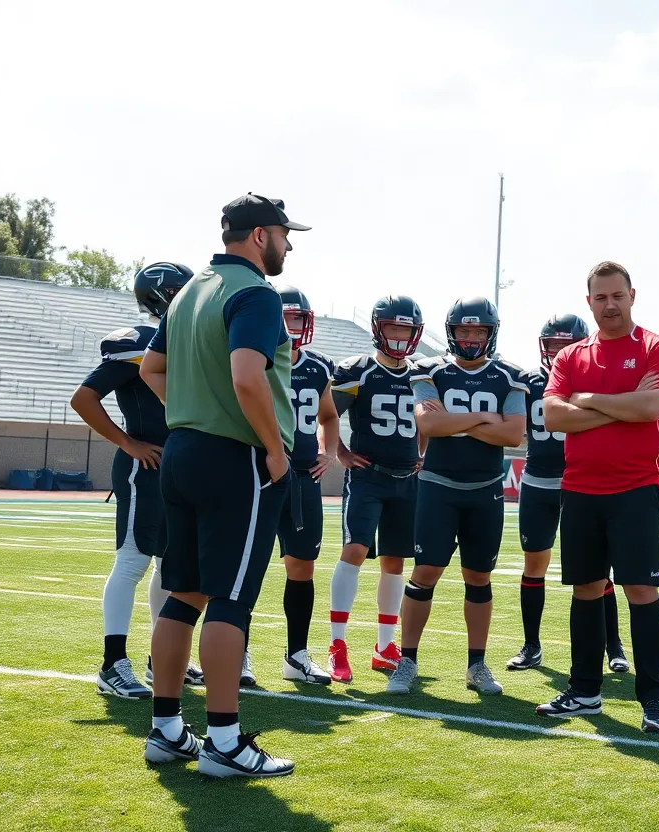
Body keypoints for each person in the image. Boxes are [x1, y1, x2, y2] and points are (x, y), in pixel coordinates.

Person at [138, 192, 307, 777]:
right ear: (260, 236)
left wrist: (193, 407)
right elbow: (245, 376)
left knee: (183, 592)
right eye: (285, 234)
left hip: (183, 449)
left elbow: (150, 370)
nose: (289, 245)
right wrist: (275, 449)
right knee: (231, 600)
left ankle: (165, 730)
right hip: (235, 459)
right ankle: (225, 743)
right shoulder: (255, 292)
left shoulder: (190, 290)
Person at [534, 261, 659, 734]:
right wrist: (620, 407)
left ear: (632, 296)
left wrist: (588, 400)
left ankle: (653, 698)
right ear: (589, 302)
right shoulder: (570, 357)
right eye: (601, 297)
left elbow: (652, 405)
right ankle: (585, 692)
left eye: (617, 296)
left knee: (640, 589)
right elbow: (553, 416)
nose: (610, 305)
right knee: (586, 589)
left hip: (636, 488)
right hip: (579, 489)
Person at [70, 262, 202, 698]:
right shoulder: (138, 341)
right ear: (161, 296)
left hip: (181, 466)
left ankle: (159, 658)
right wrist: (128, 443)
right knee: (132, 563)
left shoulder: (190, 338)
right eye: (183, 292)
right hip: (144, 466)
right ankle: (112, 664)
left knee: (171, 566)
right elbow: (83, 398)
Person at [386, 297, 527, 696]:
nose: (470, 338)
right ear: (451, 332)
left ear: (490, 334)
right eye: (463, 331)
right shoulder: (429, 370)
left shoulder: (509, 376)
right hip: (437, 485)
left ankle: (476, 665)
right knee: (426, 571)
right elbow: (428, 421)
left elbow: (513, 434)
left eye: (478, 331)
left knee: (478, 576)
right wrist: (486, 419)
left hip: (484, 490)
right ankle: (407, 659)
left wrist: (454, 423)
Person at [507, 314, 630, 674]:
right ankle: (531, 646)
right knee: (534, 565)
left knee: (597, 571)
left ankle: (614, 645)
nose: (557, 352)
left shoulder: (595, 378)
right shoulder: (527, 381)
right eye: (552, 345)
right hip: (538, 482)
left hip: (582, 483)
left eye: (565, 345)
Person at [242, 285, 337, 687]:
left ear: (307, 322)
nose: (288, 326)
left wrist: (329, 452)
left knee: (302, 568)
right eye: (282, 317)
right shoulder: (253, 361)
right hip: (257, 476)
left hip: (301, 478)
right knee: (246, 569)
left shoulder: (317, 368)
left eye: (295, 318)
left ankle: (296, 655)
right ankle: (239, 654)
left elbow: (329, 417)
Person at [328, 296, 426, 682]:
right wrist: (340, 452)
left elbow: (428, 421)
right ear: (378, 328)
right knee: (355, 549)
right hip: (368, 476)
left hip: (406, 479)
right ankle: (338, 644)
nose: (400, 337)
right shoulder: (359, 370)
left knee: (395, 562)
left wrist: (423, 451)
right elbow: (326, 412)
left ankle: (385, 645)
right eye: (394, 328)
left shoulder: (421, 374)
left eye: (406, 329)